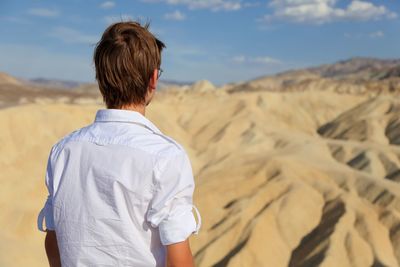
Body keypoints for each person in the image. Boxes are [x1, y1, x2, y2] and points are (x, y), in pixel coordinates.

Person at [37, 21, 202, 267]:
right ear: (153, 79)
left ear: (100, 79)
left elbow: (54, 243)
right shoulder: (166, 157)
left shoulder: (63, 152)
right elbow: (179, 260)